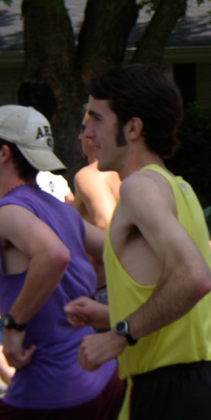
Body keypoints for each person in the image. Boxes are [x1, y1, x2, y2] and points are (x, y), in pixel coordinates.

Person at [64, 65, 211, 420]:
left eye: (96, 118)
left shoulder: (139, 188)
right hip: (205, 388)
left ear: (133, 128)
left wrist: (118, 335)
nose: (87, 132)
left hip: (163, 392)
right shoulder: (179, 188)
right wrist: (111, 313)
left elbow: (195, 280)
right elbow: (186, 300)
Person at [0, 105, 122, 420]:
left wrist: (13, 324)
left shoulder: (8, 211)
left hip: (52, 394)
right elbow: (120, 251)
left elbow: (54, 255)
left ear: (4, 153)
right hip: (103, 379)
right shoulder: (61, 210)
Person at [73, 120, 122, 302]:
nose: (80, 136)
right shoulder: (126, 172)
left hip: (105, 290)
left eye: (83, 128)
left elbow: (105, 227)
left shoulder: (90, 175)